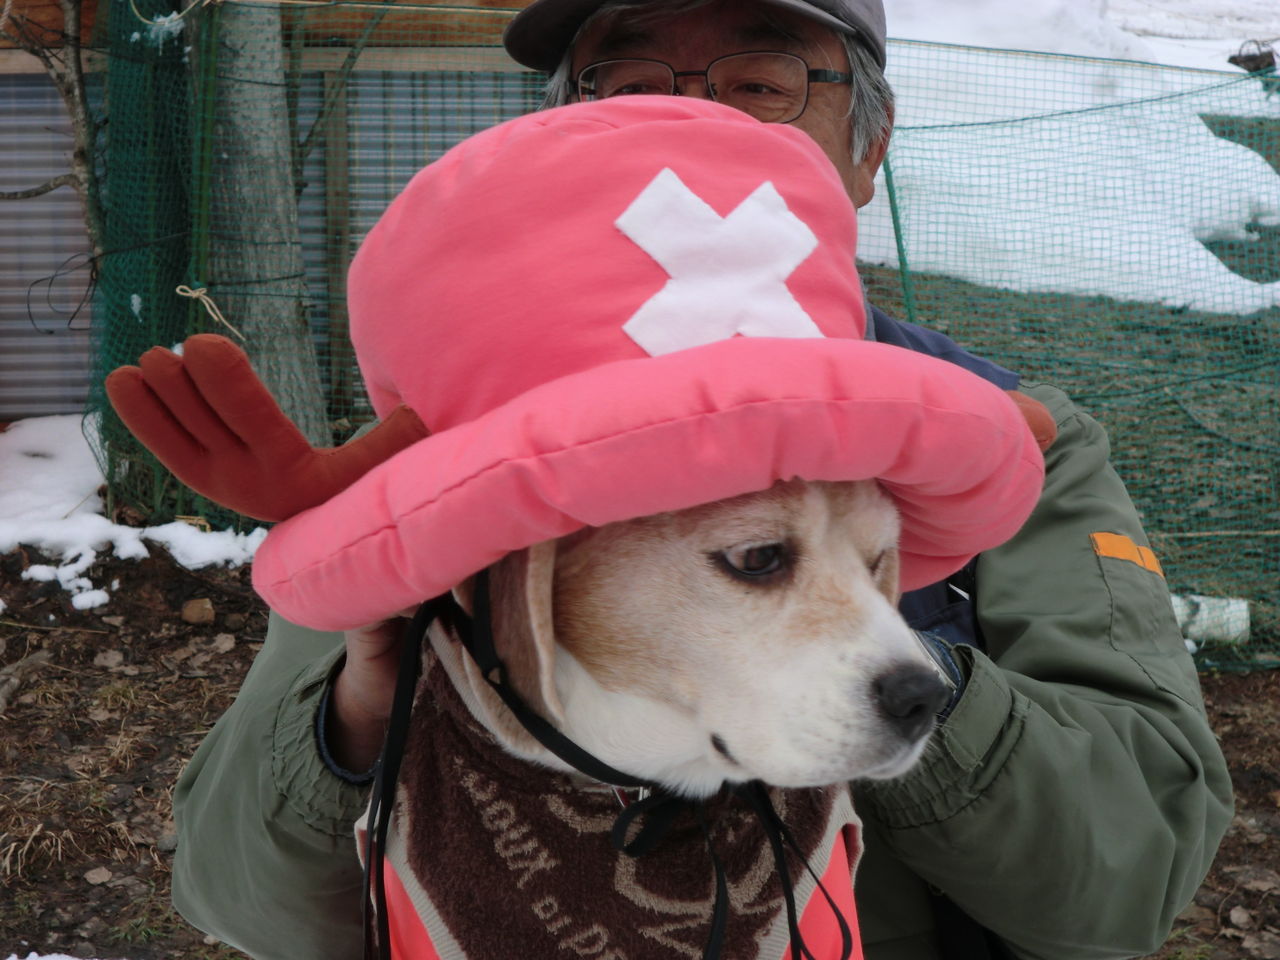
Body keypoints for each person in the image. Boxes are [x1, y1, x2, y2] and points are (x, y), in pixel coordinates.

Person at [162, 2, 1233, 958]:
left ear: (870, 149)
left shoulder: (1016, 441)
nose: (688, 128)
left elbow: (1123, 888)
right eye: (626, 90)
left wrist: (865, 650)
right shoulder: (439, 478)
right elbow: (240, 901)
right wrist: (372, 718)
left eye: (759, 85)